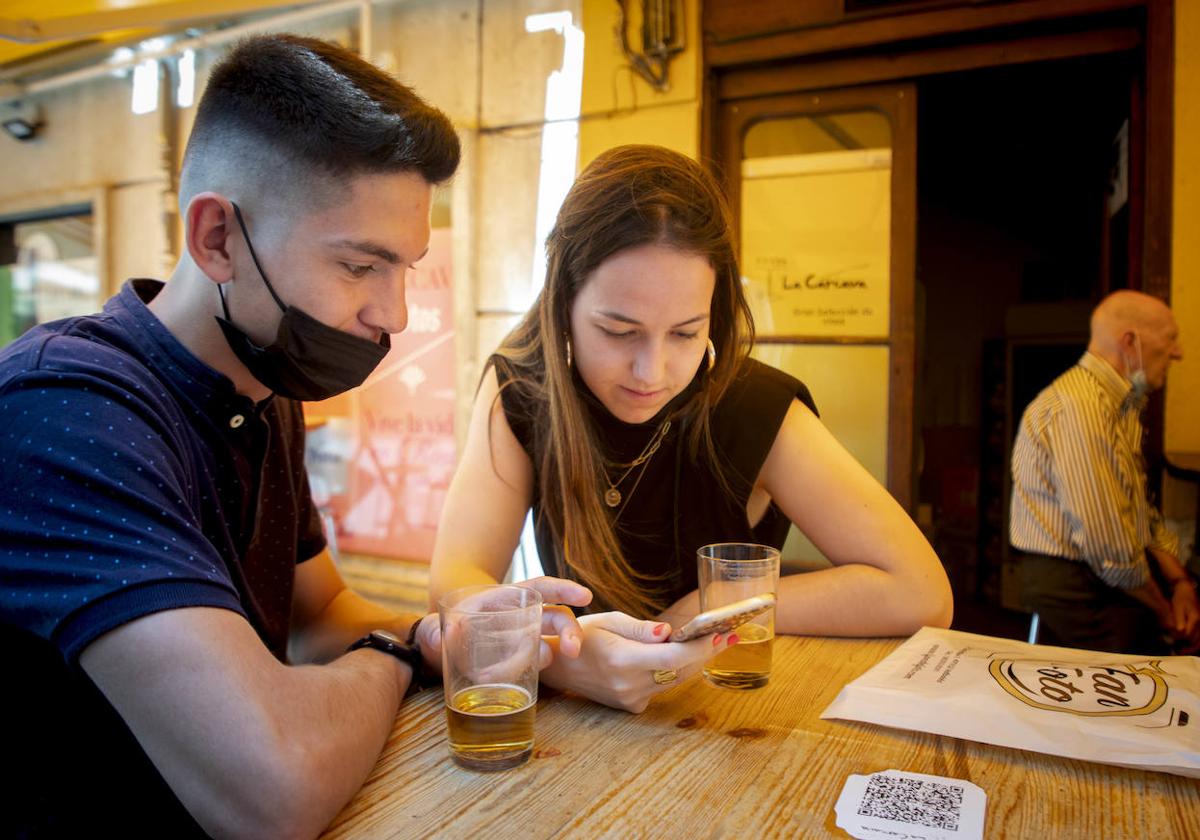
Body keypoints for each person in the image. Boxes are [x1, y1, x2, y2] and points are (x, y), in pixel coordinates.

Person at [0, 34, 586, 838]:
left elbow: (319, 614)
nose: (395, 314)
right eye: (359, 267)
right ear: (217, 239)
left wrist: (456, 633)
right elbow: (271, 785)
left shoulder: (261, 390)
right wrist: (394, 658)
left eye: (405, 268)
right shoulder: (63, 410)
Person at [430, 144, 954, 713]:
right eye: (618, 330)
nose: (650, 372)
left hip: (730, 715)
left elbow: (921, 591)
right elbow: (456, 580)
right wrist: (562, 659)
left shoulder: (754, 406)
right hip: (576, 731)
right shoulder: (523, 390)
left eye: (684, 333)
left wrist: (706, 605)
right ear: (563, 305)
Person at [1010, 289, 1199, 655]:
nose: (1178, 353)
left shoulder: (1122, 404)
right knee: (1144, 684)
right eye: (1170, 339)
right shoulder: (1080, 407)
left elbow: (1139, 509)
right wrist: (1166, 613)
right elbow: (1109, 549)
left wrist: (1181, 582)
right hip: (1074, 585)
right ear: (1130, 342)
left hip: (1108, 577)